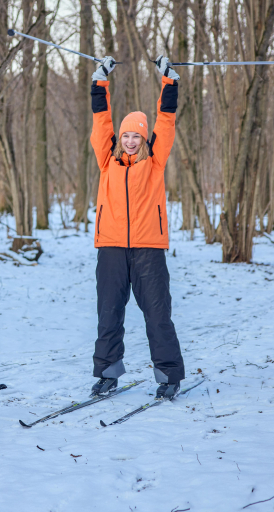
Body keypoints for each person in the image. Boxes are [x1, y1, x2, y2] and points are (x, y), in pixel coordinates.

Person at [88, 55, 186, 399]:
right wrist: (100, 83)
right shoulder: (107, 159)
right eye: (126, 135)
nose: (130, 140)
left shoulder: (155, 160)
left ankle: (169, 376)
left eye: (136, 136)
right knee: (109, 314)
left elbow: (166, 120)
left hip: (148, 247)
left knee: (158, 313)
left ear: (144, 139)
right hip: (111, 246)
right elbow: (101, 121)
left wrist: (169, 83)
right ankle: (107, 372)